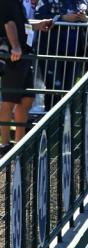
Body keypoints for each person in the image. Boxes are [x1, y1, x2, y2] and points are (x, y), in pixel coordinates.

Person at [0, 0, 52, 154]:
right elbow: (9, 23)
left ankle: (19, 144)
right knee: (9, 100)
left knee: (27, 99)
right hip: (13, 57)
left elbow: (24, 25)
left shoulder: (18, 4)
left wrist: (39, 24)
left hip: (25, 56)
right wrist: (15, 46)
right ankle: (5, 144)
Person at [33, 0, 88, 105]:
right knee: (54, 88)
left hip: (74, 52)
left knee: (68, 90)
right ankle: (51, 117)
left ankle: (65, 119)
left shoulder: (80, 2)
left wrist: (84, 19)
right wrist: (62, 18)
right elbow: (38, 18)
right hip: (50, 51)